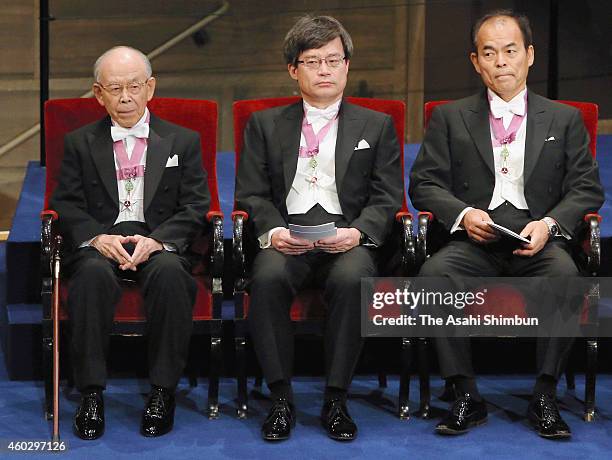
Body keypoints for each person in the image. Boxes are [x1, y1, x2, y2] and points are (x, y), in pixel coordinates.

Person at [409, 9, 604, 439]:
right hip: (474, 242)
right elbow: (423, 183)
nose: (501, 61)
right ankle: (464, 395)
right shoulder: (448, 116)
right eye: (489, 52)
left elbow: (587, 189)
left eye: (510, 50)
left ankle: (545, 395)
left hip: (538, 242)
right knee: (433, 275)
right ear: (475, 61)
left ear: (529, 56)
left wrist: (550, 225)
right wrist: (463, 214)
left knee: (568, 277)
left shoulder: (565, 118)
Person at [235, 15, 403, 441]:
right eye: (312, 61)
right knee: (267, 276)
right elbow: (252, 194)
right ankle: (280, 399)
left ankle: (336, 398)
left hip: (347, 239)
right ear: (294, 69)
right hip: (287, 238)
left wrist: (358, 233)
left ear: (348, 65)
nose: (324, 70)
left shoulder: (376, 125)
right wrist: (273, 233)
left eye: (333, 59)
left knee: (353, 280)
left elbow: (388, 197)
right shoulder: (264, 124)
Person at [50, 46, 210, 439]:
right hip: (102, 238)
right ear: (98, 93)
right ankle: (91, 393)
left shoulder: (182, 140)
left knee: (172, 276)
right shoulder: (80, 142)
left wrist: (158, 242)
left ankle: (162, 391)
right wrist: (96, 237)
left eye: (134, 86)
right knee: (89, 277)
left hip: (158, 241)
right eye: (115, 88)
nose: (125, 97)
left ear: (150, 88)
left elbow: (195, 205)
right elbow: (65, 202)